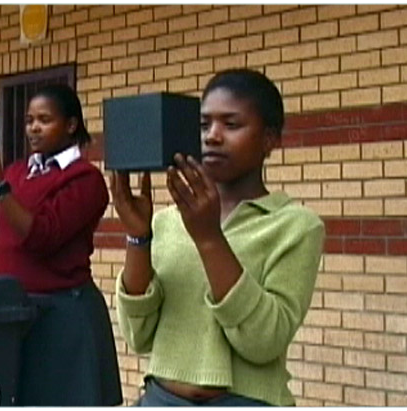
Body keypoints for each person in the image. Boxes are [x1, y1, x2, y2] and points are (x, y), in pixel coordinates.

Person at [111, 68, 325, 407]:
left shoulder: (295, 226)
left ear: (270, 139)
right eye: (203, 124)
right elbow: (139, 336)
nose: (212, 136)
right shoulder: (167, 221)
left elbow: (265, 341)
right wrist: (139, 237)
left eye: (231, 124)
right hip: (160, 399)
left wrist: (210, 238)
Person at [0, 84, 122, 406]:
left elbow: (42, 237)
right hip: (13, 310)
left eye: (44, 120)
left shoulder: (84, 180)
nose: (33, 128)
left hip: (62, 317)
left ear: (70, 125)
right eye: (29, 120)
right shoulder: (17, 172)